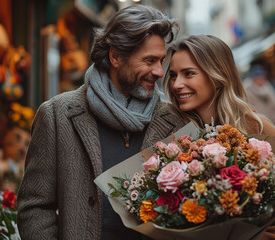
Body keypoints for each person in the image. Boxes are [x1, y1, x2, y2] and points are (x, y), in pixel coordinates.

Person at [17, 5, 183, 239]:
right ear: (115, 56)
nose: (158, 72)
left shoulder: (174, 121)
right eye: (149, 60)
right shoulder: (57, 115)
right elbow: (34, 207)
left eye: (161, 61)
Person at [163, 35, 275, 240]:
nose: (177, 84)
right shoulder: (173, 138)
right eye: (174, 75)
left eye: (188, 74)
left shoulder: (259, 129)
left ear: (217, 76)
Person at [243, 64, 275, 128]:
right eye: (259, 78)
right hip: (260, 127)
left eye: (263, 77)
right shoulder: (247, 91)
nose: (262, 80)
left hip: (274, 125)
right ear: (254, 78)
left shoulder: (268, 87)